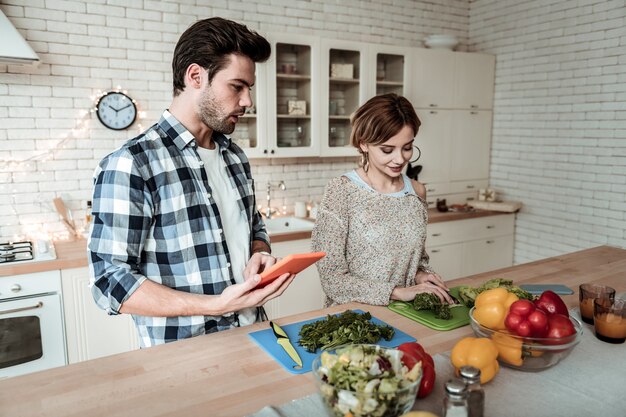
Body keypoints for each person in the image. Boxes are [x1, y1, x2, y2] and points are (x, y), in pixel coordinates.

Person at [88, 17, 295, 348]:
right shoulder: (133, 163)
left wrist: (261, 251)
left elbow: (254, 227)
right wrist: (216, 305)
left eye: (249, 90)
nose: (247, 102)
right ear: (195, 76)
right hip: (186, 352)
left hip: (255, 334)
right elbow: (110, 283)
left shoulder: (235, 157)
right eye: (237, 86)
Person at [311, 93, 454, 307]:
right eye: (387, 150)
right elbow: (332, 279)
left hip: (408, 313)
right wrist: (397, 292)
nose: (400, 159)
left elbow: (415, 258)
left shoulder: (416, 192)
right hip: (354, 318)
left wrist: (421, 275)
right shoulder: (341, 191)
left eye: (407, 148)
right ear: (364, 144)